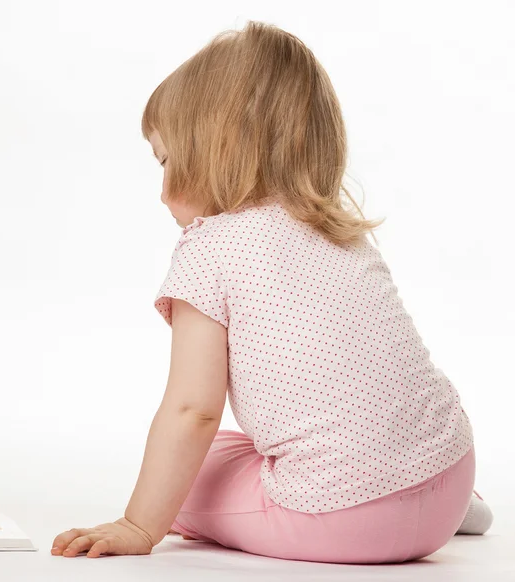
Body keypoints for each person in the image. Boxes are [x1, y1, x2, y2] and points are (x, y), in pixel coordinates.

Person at [50, 20, 492, 563]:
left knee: (194, 466)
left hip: (345, 519)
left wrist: (139, 525)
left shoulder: (208, 248)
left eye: (165, 162)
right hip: (448, 471)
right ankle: (440, 501)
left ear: (214, 149)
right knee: (292, 442)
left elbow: (193, 410)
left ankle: (379, 501)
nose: (161, 190)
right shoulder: (341, 231)